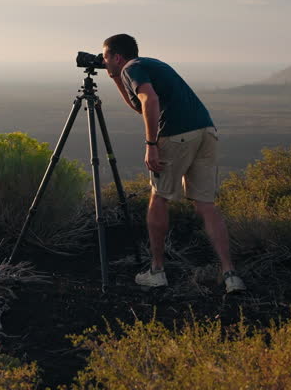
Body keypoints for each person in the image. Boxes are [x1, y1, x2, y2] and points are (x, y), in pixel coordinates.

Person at [101, 33, 245, 294]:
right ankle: (231, 275)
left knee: (159, 197)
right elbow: (140, 105)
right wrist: (115, 79)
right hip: (206, 131)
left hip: (176, 136)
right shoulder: (150, 64)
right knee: (206, 205)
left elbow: (149, 101)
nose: (104, 61)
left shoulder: (131, 68)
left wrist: (151, 144)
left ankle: (157, 272)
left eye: (106, 57)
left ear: (117, 57)